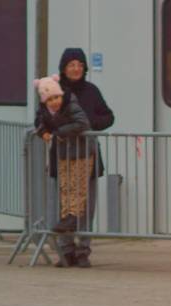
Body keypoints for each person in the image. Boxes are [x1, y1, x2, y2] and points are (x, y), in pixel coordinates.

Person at [52, 48, 115, 268]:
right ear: (64, 68)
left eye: (80, 65)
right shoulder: (55, 90)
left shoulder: (91, 91)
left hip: (88, 155)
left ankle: (82, 251)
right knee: (64, 203)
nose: (76, 69)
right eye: (71, 65)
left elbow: (108, 116)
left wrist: (88, 125)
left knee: (86, 206)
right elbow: (43, 117)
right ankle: (65, 250)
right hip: (62, 156)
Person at [33, 75, 93, 268]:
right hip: (63, 154)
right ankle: (67, 217)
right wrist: (43, 132)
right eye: (50, 99)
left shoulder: (71, 104)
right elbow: (39, 123)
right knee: (65, 186)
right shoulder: (45, 110)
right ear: (45, 101)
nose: (54, 102)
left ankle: (73, 215)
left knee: (78, 186)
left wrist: (59, 132)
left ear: (61, 95)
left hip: (82, 152)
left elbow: (83, 123)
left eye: (56, 97)